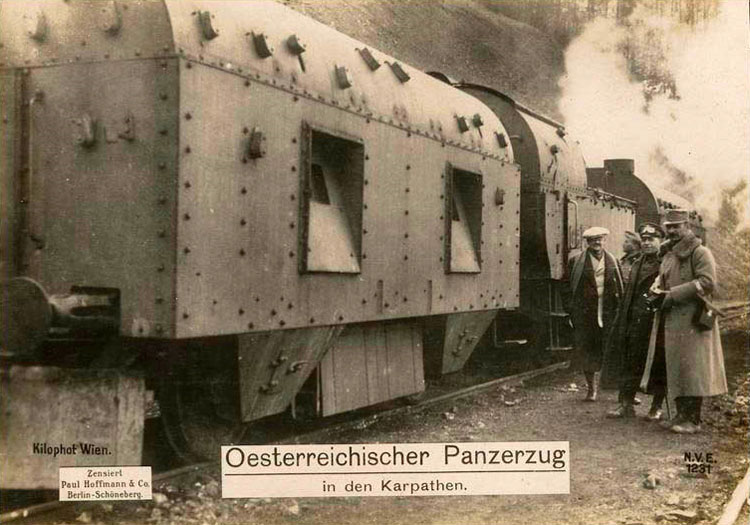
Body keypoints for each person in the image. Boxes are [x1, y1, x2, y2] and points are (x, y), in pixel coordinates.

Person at [641, 209, 727, 434]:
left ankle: (693, 420)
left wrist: (673, 294)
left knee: (693, 369)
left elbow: (707, 282)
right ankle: (680, 414)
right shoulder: (668, 253)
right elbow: (663, 278)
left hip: (692, 320)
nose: (671, 231)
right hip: (672, 319)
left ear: (687, 226)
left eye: (676, 226)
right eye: (668, 227)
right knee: (677, 367)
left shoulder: (700, 252)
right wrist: (656, 290)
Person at [604, 223, 666, 420]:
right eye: (645, 239)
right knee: (629, 361)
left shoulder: (666, 263)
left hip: (655, 321)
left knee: (657, 364)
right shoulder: (638, 262)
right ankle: (626, 404)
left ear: (660, 241)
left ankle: (656, 407)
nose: (647, 243)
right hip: (633, 320)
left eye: (652, 239)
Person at [567, 227, 624, 402]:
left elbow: (621, 287)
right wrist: (571, 310)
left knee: (612, 350)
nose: (597, 243)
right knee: (588, 351)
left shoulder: (613, 261)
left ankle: (617, 390)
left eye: (600, 239)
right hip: (586, 315)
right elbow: (566, 287)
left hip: (608, 312)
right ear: (587, 242)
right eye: (593, 240)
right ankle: (591, 389)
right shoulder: (576, 262)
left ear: (604, 240)